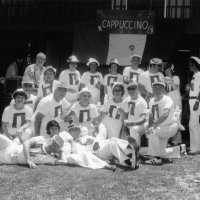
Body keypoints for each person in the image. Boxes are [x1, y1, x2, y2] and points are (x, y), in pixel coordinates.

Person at [144, 81, 186, 165]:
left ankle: (155, 158)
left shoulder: (167, 99)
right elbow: (151, 115)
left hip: (170, 126)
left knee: (152, 132)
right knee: (162, 153)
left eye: (160, 88)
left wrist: (153, 126)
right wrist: (149, 125)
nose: (157, 89)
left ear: (163, 89)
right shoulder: (152, 100)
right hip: (161, 127)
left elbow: (165, 114)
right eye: (155, 88)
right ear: (152, 89)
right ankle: (180, 149)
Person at [0, 133, 69, 168]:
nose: (53, 145)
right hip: (11, 146)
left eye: (56, 145)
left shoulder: (48, 158)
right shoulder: (41, 139)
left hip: (9, 159)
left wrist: (61, 152)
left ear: (57, 149)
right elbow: (26, 143)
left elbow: (62, 161)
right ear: (51, 140)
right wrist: (28, 160)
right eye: (54, 142)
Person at [123, 81, 148, 147]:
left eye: (133, 88)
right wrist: (125, 122)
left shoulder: (142, 101)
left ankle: (136, 150)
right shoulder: (126, 100)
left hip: (142, 124)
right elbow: (125, 114)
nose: (131, 90)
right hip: (130, 123)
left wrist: (133, 123)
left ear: (137, 89)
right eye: (129, 89)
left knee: (134, 129)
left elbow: (143, 119)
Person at [163, 63, 182, 145]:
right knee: (167, 121)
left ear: (171, 70)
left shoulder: (176, 77)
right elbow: (164, 90)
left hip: (176, 102)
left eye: (168, 69)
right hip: (168, 102)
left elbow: (174, 87)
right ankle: (167, 141)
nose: (167, 71)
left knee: (177, 120)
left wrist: (169, 80)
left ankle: (176, 141)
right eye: (165, 69)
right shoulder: (163, 79)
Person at [188, 56, 200, 154]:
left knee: (193, 124)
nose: (189, 66)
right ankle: (195, 146)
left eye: (190, 64)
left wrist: (197, 102)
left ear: (194, 64)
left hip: (196, 101)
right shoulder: (194, 75)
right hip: (193, 100)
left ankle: (195, 148)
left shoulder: (199, 74)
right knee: (194, 124)